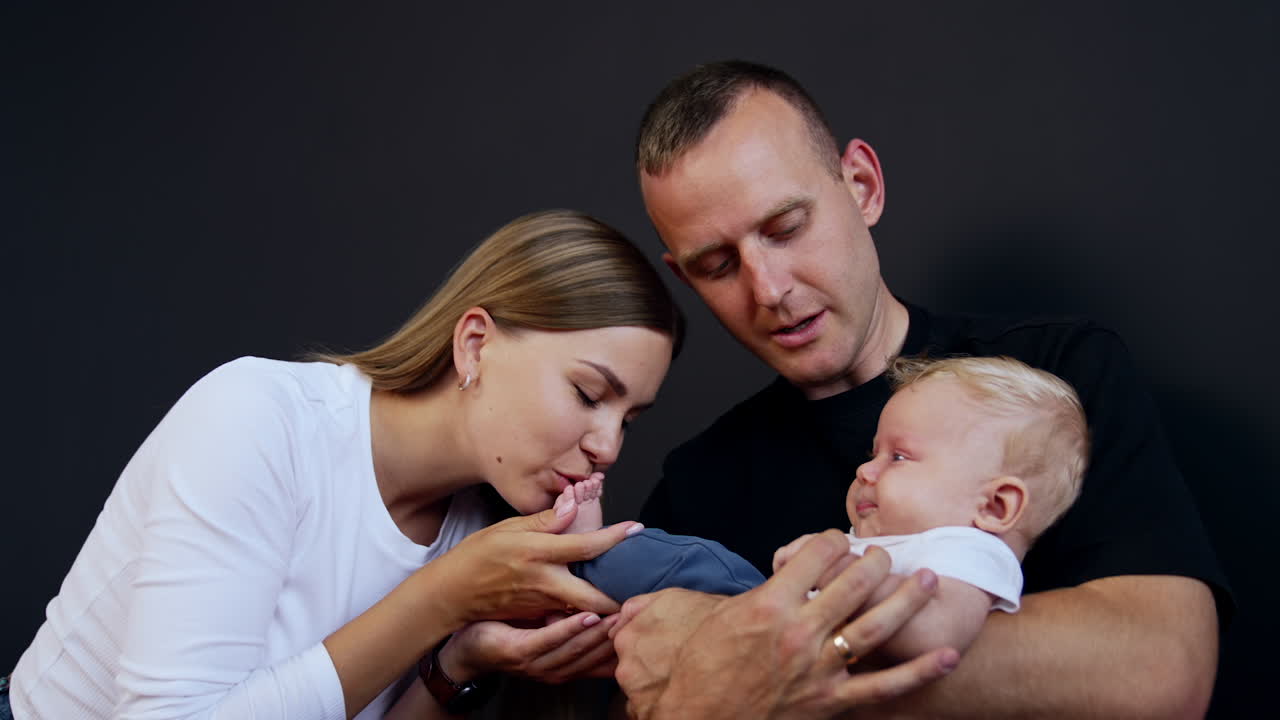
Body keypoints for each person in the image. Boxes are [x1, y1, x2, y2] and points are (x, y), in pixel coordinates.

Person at [610, 60, 1230, 719]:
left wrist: (750, 667)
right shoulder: (698, 483)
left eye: (787, 227)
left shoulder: (1052, 375)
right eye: (718, 265)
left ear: (863, 187)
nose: (769, 289)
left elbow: (1161, 672)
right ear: (686, 280)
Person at [6, 210, 684, 720]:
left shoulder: (484, 532)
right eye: (589, 395)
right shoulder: (259, 419)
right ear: (476, 345)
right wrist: (443, 595)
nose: (609, 445)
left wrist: (459, 658)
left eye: (628, 419)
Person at [571, 354, 1085, 664]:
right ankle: (588, 562)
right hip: (780, 625)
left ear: (995, 506)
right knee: (690, 575)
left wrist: (849, 576)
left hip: (784, 635)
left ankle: (591, 555)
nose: (867, 471)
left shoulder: (971, 552)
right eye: (872, 454)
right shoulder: (921, 538)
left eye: (899, 457)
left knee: (697, 567)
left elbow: (938, 632)